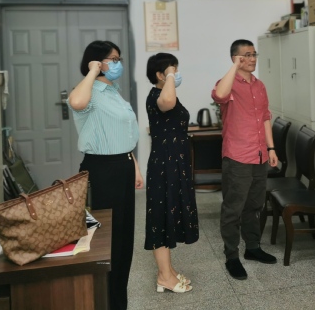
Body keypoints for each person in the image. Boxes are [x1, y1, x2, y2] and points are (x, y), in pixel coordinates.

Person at [67, 40, 143, 310]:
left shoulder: (114, 92)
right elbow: (76, 102)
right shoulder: (89, 91)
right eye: (113, 59)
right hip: (102, 170)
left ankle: (118, 300)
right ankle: (102, 300)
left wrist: (134, 165)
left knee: (123, 238)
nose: (118, 63)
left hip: (123, 165)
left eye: (119, 59)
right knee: (105, 239)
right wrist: (92, 72)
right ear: (97, 62)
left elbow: (124, 134)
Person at [212, 39, 278, 280]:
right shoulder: (227, 84)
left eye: (253, 54)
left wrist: (271, 148)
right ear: (235, 59)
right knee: (233, 209)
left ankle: (252, 247)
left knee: (254, 205)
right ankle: (231, 256)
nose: (252, 59)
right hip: (237, 156)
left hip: (259, 155)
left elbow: (266, 118)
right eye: (246, 55)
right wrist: (234, 67)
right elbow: (219, 95)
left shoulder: (259, 86)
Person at [145, 53, 199, 293]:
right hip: (164, 165)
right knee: (160, 217)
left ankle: (167, 270)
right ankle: (164, 277)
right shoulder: (158, 96)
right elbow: (167, 102)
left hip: (175, 163)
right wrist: (169, 77)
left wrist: (169, 76)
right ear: (160, 75)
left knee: (169, 215)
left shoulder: (165, 92)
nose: (176, 74)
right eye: (171, 70)